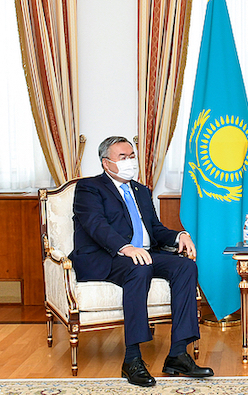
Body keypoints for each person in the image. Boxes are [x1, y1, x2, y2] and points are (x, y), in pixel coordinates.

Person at [70, 136, 213, 387]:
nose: (129, 162)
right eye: (122, 157)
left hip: (145, 253)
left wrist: (180, 235)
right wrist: (125, 247)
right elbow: (96, 225)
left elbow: (155, 230)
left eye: (132, 156)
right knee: (140, 265)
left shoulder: (141, 190)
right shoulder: (90, 188)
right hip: (107, 256)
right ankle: (132, 359)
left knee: (185, 266)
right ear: (106, 163)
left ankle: (178, 354)